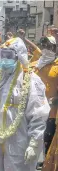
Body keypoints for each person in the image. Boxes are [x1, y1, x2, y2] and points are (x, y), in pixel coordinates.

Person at [0, 37, 50, 171]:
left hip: (20, 141)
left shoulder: (30, 80)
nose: (5, 59)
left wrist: (34, 143)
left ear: (19, 56)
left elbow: (38, 114)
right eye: (3, 55)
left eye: (9, 55)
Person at [29, 36, 58, 170]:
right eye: (44, 46)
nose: (47, 49)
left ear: (54, 48)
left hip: (52, 112)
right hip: (33, 111)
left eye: (49, 46)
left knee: (47, 140)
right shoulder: (36, 63)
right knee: (32, 139)